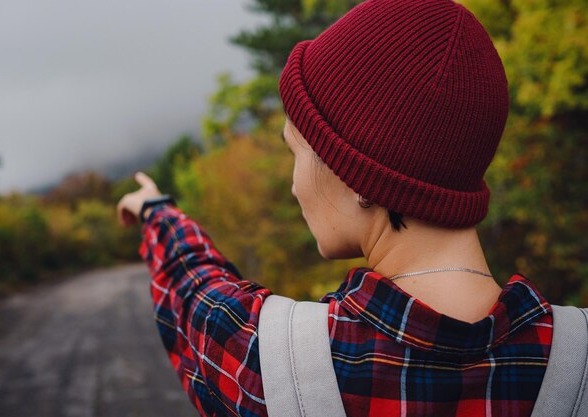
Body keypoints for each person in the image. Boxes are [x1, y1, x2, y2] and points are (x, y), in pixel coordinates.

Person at [117, 0, 553, 415]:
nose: (293, 186)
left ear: (356, 172)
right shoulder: (575, 360)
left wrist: (155, 210)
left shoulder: (269, 363)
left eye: (296, 153)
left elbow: (193, 289)